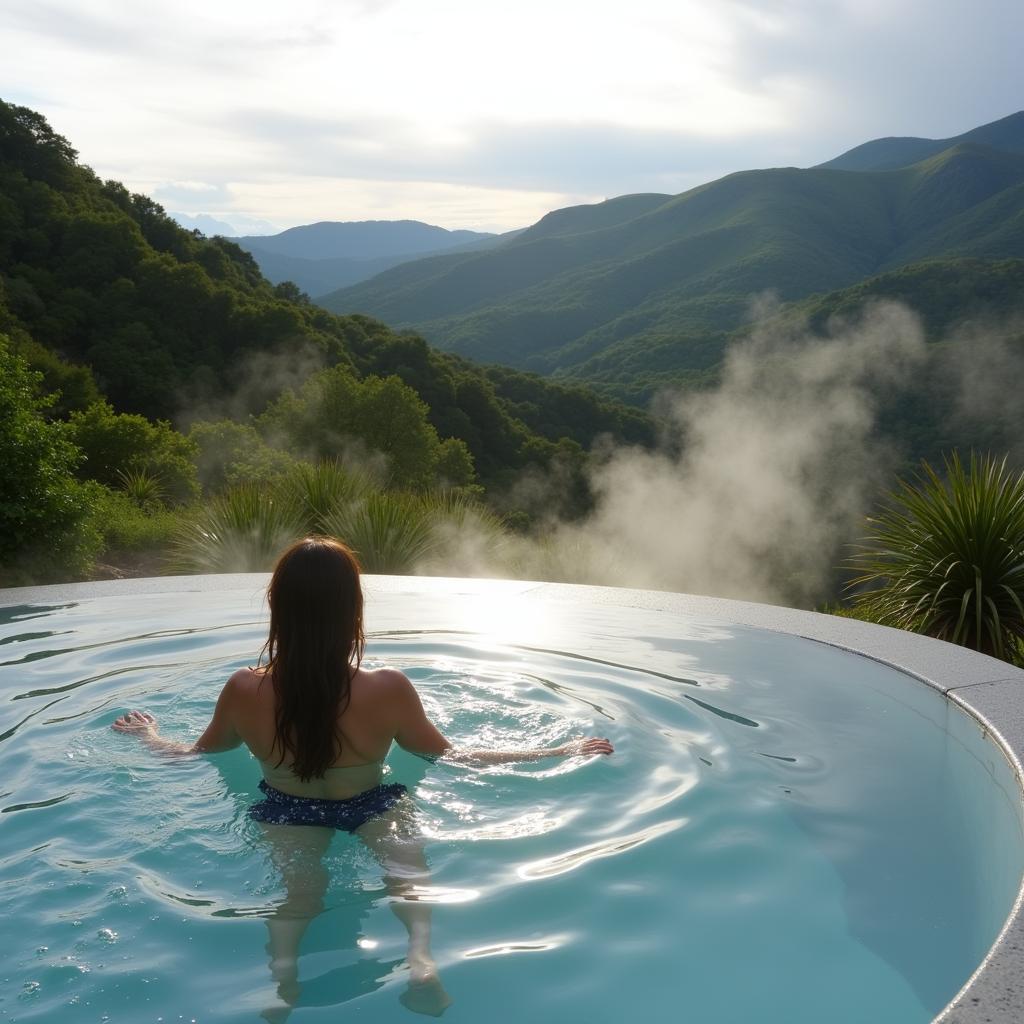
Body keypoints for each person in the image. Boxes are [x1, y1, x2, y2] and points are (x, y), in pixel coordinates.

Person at [113, 535, 613, 1019]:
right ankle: (420, 961)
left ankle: (283, 985)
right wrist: (556, 749)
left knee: (300, 897)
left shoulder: (245, 689)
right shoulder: (387, 688)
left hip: (287, 810)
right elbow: (455, 757)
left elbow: (196, 754)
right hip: (374, 803)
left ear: (276, 606)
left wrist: (150, 736)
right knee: (409, 882)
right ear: (353, 610)